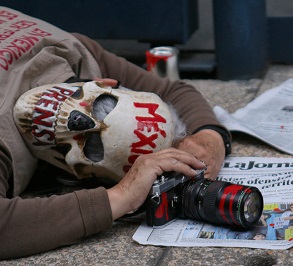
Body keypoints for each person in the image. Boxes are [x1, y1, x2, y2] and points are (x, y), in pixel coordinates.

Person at [0, 6, 231, 259]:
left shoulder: (72, 54)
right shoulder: (76, 52)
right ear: (105, 83)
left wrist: (208, 141)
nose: (80, 123)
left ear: (80, 172)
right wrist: (122, 196)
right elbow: (175, 91)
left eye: (92, 146)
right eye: (101, 109)